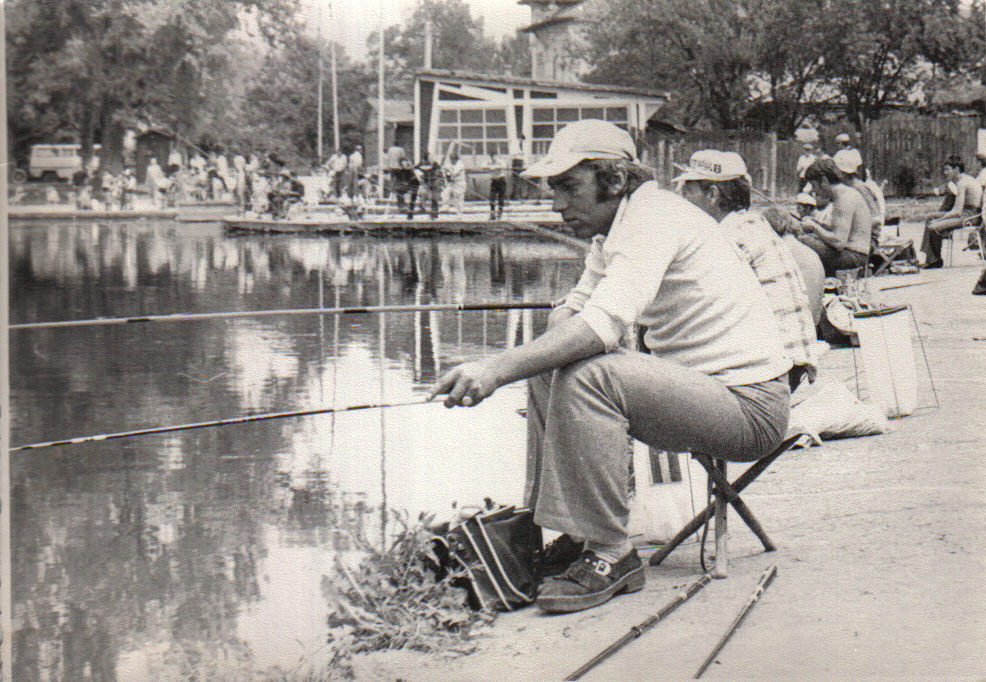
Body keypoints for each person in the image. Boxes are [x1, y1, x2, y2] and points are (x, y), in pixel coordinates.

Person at [428, 120, 790, 614]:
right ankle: (570, 532)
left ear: (615, 181)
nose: (557, 205)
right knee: (550, 365)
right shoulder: (614, 228)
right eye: (553, 188)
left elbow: (604, 327)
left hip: (751, 408)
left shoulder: (655, 219)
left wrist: (494, 368)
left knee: (587, 372)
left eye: (568, 187)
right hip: (702, 392)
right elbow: (578, 309)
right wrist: (551, 336)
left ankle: (612, 553)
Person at [677, 149, 819, 391]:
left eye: (687, 192)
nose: (682, 200)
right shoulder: (750, 224)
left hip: (770, 370)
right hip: (788, 362)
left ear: (712, 194)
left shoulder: (729, 237)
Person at [796, 158, 871, 276]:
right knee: (806, 237)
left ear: (824, 181)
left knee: (799, 240)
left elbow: (838, 242)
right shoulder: (845, 194)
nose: (814, 191)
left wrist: (815, 227)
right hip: (853, 253)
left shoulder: (844, 199)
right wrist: (817, 223)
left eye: (814, 185)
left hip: (854, 257)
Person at [920, 154, 982, 269]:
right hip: (965, 212)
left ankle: (935, 261)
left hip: (970, 215)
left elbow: (957, 212)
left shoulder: (962, 183)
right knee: (930, 218)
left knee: (933, 226)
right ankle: (931, 258)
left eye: (947, 169)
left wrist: (939, 220)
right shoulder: (961, 181)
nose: (945, 172)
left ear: (956, 170)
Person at [832, 149, 882, 251]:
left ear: (843, 173)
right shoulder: (843, 189)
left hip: (867, 241)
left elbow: (876, 218)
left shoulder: (860, 188)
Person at [415, 153, 442, 220]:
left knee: (434, 197)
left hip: (434, 181)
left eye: (432, 157)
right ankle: (422, 207)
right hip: (426, 182)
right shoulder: (422, 163)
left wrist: (437, 173)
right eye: (430, 157)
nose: (432, 158)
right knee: (423, 193)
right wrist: (420, 176)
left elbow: (439, 169)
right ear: (426, 158)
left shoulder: (434, 163)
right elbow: (416, 168)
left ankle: (434, 214)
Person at [444, 149, 466, 217]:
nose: (452, 161)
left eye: (453, 159)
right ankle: (446, 206)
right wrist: (447, 173)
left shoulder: (460, 164)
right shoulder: (449, 164)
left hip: (460, 183)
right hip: (452, 183)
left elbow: (454, 173)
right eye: (451, 159)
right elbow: (446, 172)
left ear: (456, 159)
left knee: (458, 198)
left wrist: (449, 172)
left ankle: (459, 214)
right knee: (445, 193)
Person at [487, 152, 509, 220]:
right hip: (494, 181)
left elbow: (504, 166)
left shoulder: (501, 161)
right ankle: (492, 213)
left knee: (501, 198)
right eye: (492, 157)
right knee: (491, 197)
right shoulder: (489, 162)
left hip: (501, 180)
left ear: (497, 156)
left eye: (495, 156)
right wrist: (489, 166)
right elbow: (482, 165)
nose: (494, 158)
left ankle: (500, 213)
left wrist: (495, 167)